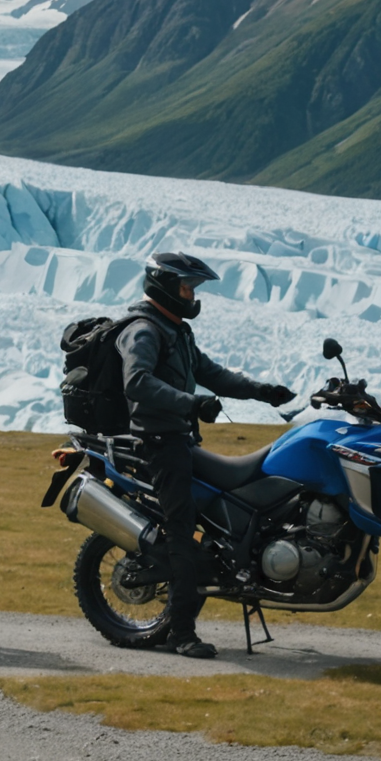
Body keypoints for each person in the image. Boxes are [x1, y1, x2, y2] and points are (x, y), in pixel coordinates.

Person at [115, 251, 295, 659]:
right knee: (182, 531)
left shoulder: (176, 330)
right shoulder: (144, 330)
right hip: (159, 445)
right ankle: (181, 634)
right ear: (164, 286)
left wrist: (263, 391)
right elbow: (137, 382)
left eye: (193, 288)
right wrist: (190, 403)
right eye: (186, 287)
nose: (191, 295)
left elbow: (213, 374)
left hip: (181, 440)